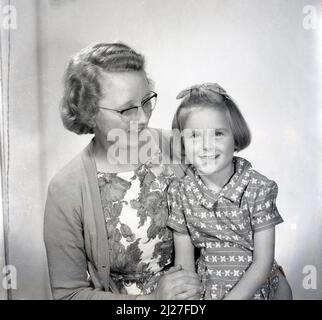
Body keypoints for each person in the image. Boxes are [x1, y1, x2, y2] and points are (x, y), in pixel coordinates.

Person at [44, 42, 202, 300]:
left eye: (146, 102)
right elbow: (68, 295)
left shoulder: (178, 146)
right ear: (89, 112)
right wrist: (151, 302)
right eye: (126, 109)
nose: (142, 118)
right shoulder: (66, 189)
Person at [167, 83, 293, 300]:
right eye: (195, 135)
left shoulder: (257, 188)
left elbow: (262, 263)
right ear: (182, 143)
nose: (206, 146)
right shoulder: (181, 192)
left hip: (254, 288)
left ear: (235, 138)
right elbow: (184, 264)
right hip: (208, 290)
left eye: (217, 134)